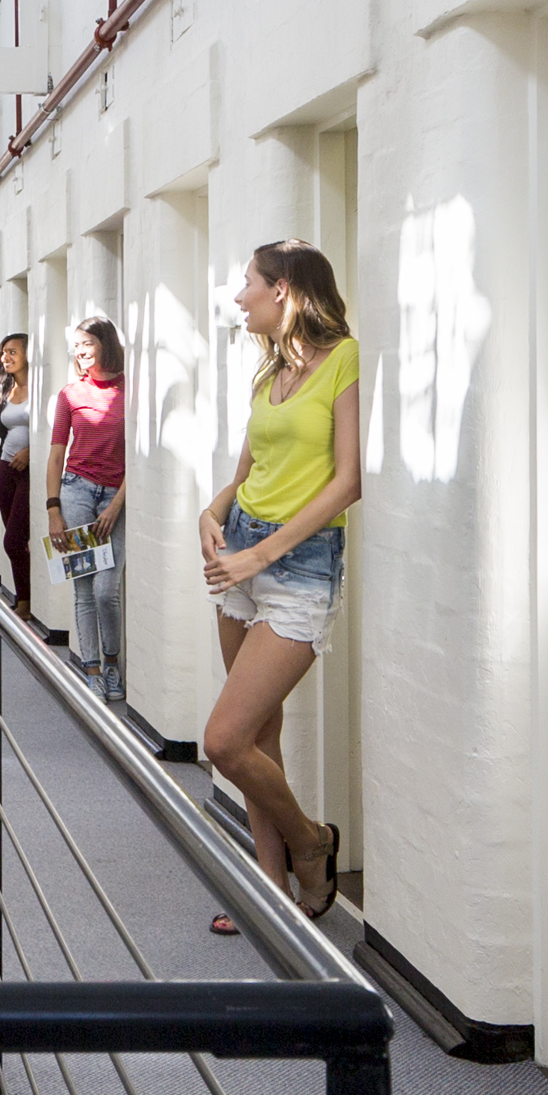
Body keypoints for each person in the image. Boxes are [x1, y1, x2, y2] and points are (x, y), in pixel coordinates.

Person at [198, 243, 358, 934]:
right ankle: (271, 895)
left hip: (295, 564)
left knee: (224, 741)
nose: (240, 297)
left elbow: (348, 481)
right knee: (259, 731)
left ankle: (311, 843)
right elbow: (249, 466)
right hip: (241, 547)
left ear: (284, 290)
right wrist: (211, 509)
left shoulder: (343, 359)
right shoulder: (268, 373)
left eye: (249, 283)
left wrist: (261, 553)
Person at [42, 318, 128, 700]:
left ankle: (112, 663)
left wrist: (117, 505)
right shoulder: (70, 394)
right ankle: (91, 670)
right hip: (76, 491)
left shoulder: (130, 391)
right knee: (84, 587)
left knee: (107, 589)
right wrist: (53, 509)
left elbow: (138, 459)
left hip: (115, 495)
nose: (79, 350)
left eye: (87, 342)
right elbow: (57, 452)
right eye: (76, 344)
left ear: (105, 344)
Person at [0, 331, 37, 607]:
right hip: (6, 470)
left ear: (29, 354)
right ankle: (25, 599)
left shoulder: (40, 388)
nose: (5, 357)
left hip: (29, 472)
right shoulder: (5, 391)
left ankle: (26, 602)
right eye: (3, 352)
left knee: (15, 540)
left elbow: (51, 433)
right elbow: (3, 439)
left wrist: (32, 452)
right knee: (15, 541)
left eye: (13, 352)